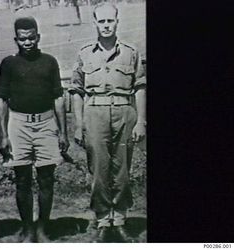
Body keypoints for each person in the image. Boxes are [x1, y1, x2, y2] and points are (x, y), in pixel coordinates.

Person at [69, 3, 146, 242]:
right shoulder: (84, 53)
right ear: (94, 23)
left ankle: (120, 219)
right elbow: (76, 90)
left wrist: (141, 120)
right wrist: (79, 124)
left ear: (117, 22)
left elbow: (140, 87)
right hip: (95, 113)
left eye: (110, 21)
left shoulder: (131, 52)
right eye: (101, 21)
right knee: (99, 171)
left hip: (125, 112)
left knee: (122, 170)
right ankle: (103, 220)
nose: (106, 26)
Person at [0, 16, 69, 243]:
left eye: (31, 38)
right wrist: (3, 135)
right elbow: (2, 100)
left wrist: (63, 132)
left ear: (38, 37)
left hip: (46, 123)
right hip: (18, 124)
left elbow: (58, 99)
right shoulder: (8, 64)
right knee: (22, 179)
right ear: (16, 39)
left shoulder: (50, 61)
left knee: (47, 177)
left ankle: (42, 229)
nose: (27, 42)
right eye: (22, 39)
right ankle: (28, 229)